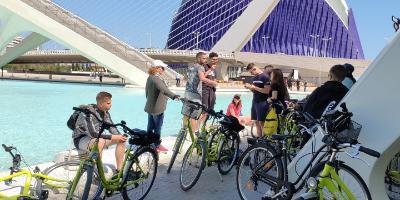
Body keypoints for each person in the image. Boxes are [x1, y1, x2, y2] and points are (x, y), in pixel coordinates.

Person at [72, 92, 127, 172]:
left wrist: (120, 135)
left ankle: (120, 171)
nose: (111, 105)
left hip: (96, 139)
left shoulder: (105, 113)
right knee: (99, 142)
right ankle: (98, 172)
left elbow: (112, 127)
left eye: (111, 103)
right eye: (108, 103)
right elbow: (92, 134)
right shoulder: (88, 113)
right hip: (81, 139)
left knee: (122, 139)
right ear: (101, 104)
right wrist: (112, 137)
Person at [145, 60, 180, 153]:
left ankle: (149, 142)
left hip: (150, 107)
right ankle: (156, 145)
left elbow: (146, 92)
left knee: (150, 126)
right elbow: (164, 90)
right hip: (158, 108)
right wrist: (175, 96)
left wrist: (149, 102)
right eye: (162, 68)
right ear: (157, 68)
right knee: (157, 127)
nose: (163, 70)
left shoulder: (150, 77)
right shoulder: (156, 79)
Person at [181, 52, 216, 135]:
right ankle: (193, 134)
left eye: (206, 58)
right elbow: (202, 78)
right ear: (198, 58)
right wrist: (213, 83)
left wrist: (210, 70)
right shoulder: (200, 67)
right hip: (195, 94)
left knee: (186, 113)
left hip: (187, 93)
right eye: (203, 58)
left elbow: (185, 78)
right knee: (194, 116)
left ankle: (183, 132)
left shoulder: (191, 66)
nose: (205, 60)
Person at [244, 63, 271, 138]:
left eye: (251, 72)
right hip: (255, 101)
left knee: (262, 122)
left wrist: (254, 87)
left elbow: (267, 91)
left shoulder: (265, 77)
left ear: (254, 69)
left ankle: (265, 140)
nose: (251, 74)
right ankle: (259, 139)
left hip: (262, 102)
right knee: (256, 122)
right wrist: (250, 88)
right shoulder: (254, 78)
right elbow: (255, 91)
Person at [199, 52, 219, 126]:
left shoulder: (215, 69)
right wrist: (210, 69)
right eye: (213, 59)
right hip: (205, 90)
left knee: (210, 110)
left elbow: (214, 79)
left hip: (212, 91)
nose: (215, 61)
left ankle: (204, 125)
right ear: (209, 59)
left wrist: (215, 83)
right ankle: (198, 127)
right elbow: (202, 77)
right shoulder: (204, 67)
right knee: (204, 110)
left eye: (216, 59)